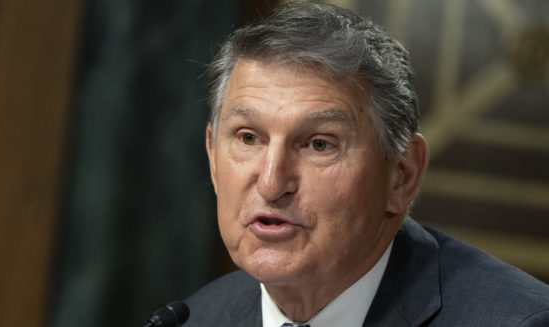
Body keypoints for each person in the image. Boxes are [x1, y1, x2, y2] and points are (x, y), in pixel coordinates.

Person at [185, 1, 549, 326]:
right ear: (213, 156)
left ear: (401, 175)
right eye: (249, 138)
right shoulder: (197, 318)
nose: (270, 183)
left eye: (319, 144)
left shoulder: (517, 320)